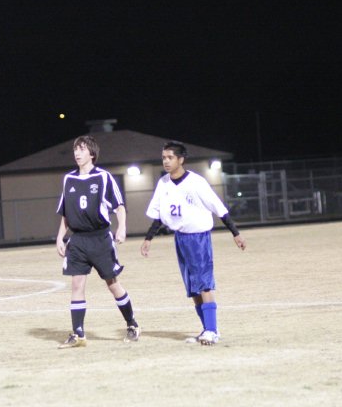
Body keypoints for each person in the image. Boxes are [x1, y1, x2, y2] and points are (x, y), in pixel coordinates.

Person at [140, 141, 246, 345]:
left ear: (181, 159)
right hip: (180, 239)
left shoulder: (196, 182)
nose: (166, 161)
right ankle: (207, 329)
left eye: (170, 157)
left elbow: (219, 207)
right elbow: (160, 215)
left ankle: (212, 330)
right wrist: (148, 238)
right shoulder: (163, 183)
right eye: (163, 158)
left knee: (204, 283)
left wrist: (235, 233)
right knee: (193, 288)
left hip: (198, 238)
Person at [55, 135, 139, 348]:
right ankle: (78, 334)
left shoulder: (104, 177)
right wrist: (60, 237)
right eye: (75, 149)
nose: (77, 153)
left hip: (100, 238)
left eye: (81, 149)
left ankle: (132, 324)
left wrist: (122, 227)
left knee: (112, 284)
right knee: (76, 284)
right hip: (78, 240)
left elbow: (119, 206)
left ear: (91, 153)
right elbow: (65, 213)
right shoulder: (68, 179)